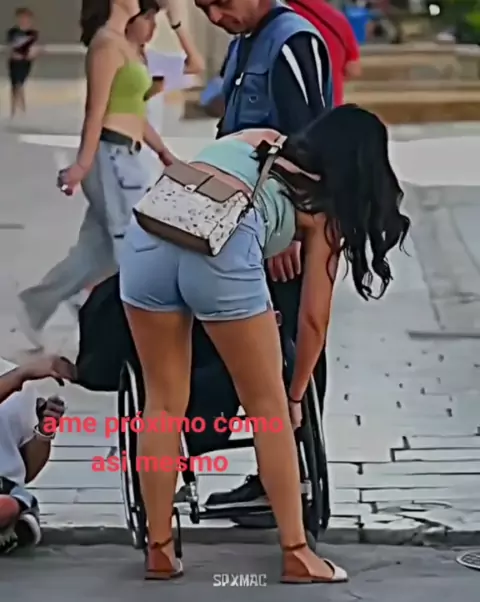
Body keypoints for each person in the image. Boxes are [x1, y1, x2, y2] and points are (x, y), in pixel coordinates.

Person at [119, 104, 410, 580]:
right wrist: (295, 394)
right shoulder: (324, 209)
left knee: (163, 404)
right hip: (224, 246)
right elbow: (313, 321)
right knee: (267, 408)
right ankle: (297, 553)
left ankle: (160, 549)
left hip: (152, 231)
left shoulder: (257, 138)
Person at [194, 0, 333, 512]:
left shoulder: (293, 41)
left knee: (290, 347)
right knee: (256, 351)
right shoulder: (244, 44)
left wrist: (295, 232)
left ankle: (295, 474)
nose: (214, 16)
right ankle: (270, 472)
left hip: (283, 228)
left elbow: (312, 138)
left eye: (220, 3)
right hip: (246, 225)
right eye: (203, 8)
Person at [16, 0, 174, 352]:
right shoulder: (105, 45)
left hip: (127, 156)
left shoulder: (126, 42)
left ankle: (36, 306)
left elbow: (134, 111)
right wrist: (82, 165)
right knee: (131, 247)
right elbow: (96, 111)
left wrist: (164, 153)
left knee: (94, 252)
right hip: (110, 158)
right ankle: (125, 336)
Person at [0, 355, 76, 554]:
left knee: (7, 505)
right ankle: (10, 531)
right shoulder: (17, 378)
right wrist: (19, 375)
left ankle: (12, 525)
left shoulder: (22, 387)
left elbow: (28, 470)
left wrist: (45, 430)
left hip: (5, 490)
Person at [288, 0, 361, 106]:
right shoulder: (338, 19)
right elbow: (353, 69)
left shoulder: (280, 17)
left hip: (292, 107)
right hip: (330, 106)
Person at [5, 7, 40, 118]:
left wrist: (31, 54)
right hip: (14, 62)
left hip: (25, 63)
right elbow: (11, 47)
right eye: (21, 17)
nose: (24, 20)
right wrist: (14, 54)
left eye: (26, 18)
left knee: (20, 84)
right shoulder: (12, 32)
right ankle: (15, 110)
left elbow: (33, 48)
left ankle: (21, 110)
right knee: (15, 85)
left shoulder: (33, 33)